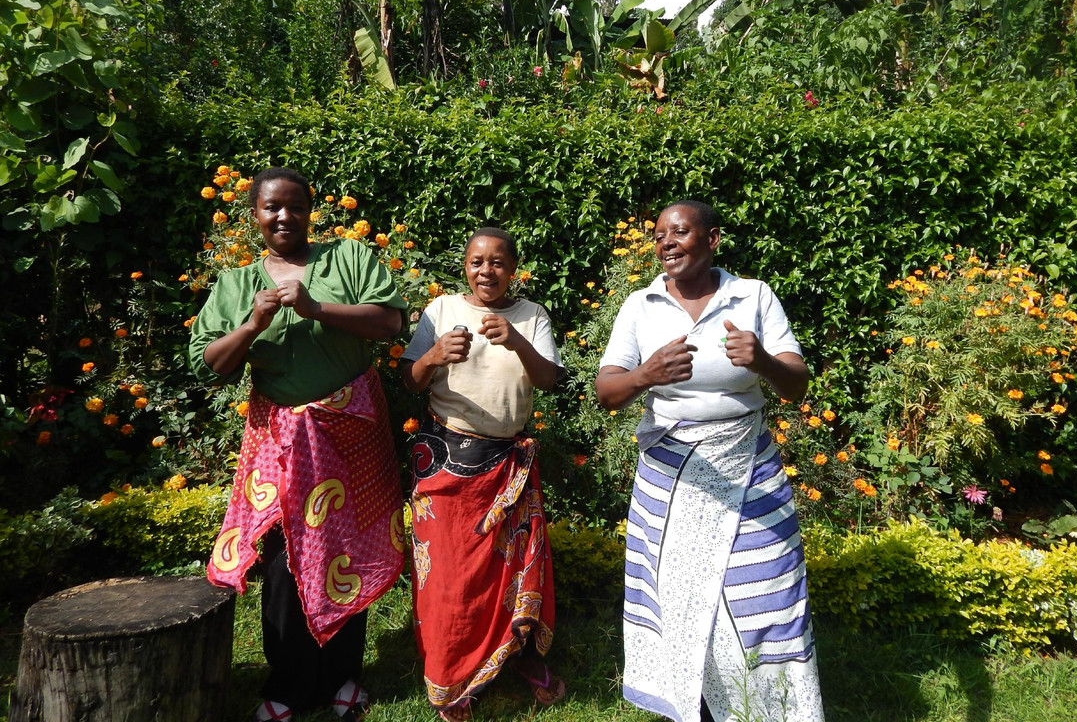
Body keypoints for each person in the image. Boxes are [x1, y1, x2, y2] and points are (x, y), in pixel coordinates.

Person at [189, 167, 408, 722]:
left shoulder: (349, 260)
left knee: (349, 547)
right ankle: (288, 683)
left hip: (352, 431)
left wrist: (315, 309)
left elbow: (389, 323)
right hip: (283, 440)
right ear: (256, 215)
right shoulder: (237, 285)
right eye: (271, 208)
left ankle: (342, 678)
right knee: (286, 560)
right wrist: (253, 325)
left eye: (294, 206)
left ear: (311, 210)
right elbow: (208, 364)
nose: (283, 216)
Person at [594, 201, 825, 722]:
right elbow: (606, 393)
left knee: (763, 586)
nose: (666, 243)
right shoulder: (641, 304)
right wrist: (644, 375)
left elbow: (796, 384)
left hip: (747, 466)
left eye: (679, 232)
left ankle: (768, 706)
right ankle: (691, 703)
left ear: (713, 238)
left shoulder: (752, 296)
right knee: (676, 594)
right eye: (658, 236)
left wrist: (762, 360)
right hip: (670, 476)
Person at [400, 227, 565, 721]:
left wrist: (516, 341)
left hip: (508, 464)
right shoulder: (441, 311)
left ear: (513, 270)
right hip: (447, 460)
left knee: (512, 571)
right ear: (464, 267)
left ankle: (518, 657)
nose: (485, 271)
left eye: (497, 263)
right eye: (476, 262)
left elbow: (550, 380)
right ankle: (453, 671)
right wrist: (433, 356)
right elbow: (409, 380)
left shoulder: (531, 316)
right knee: (452, 576)